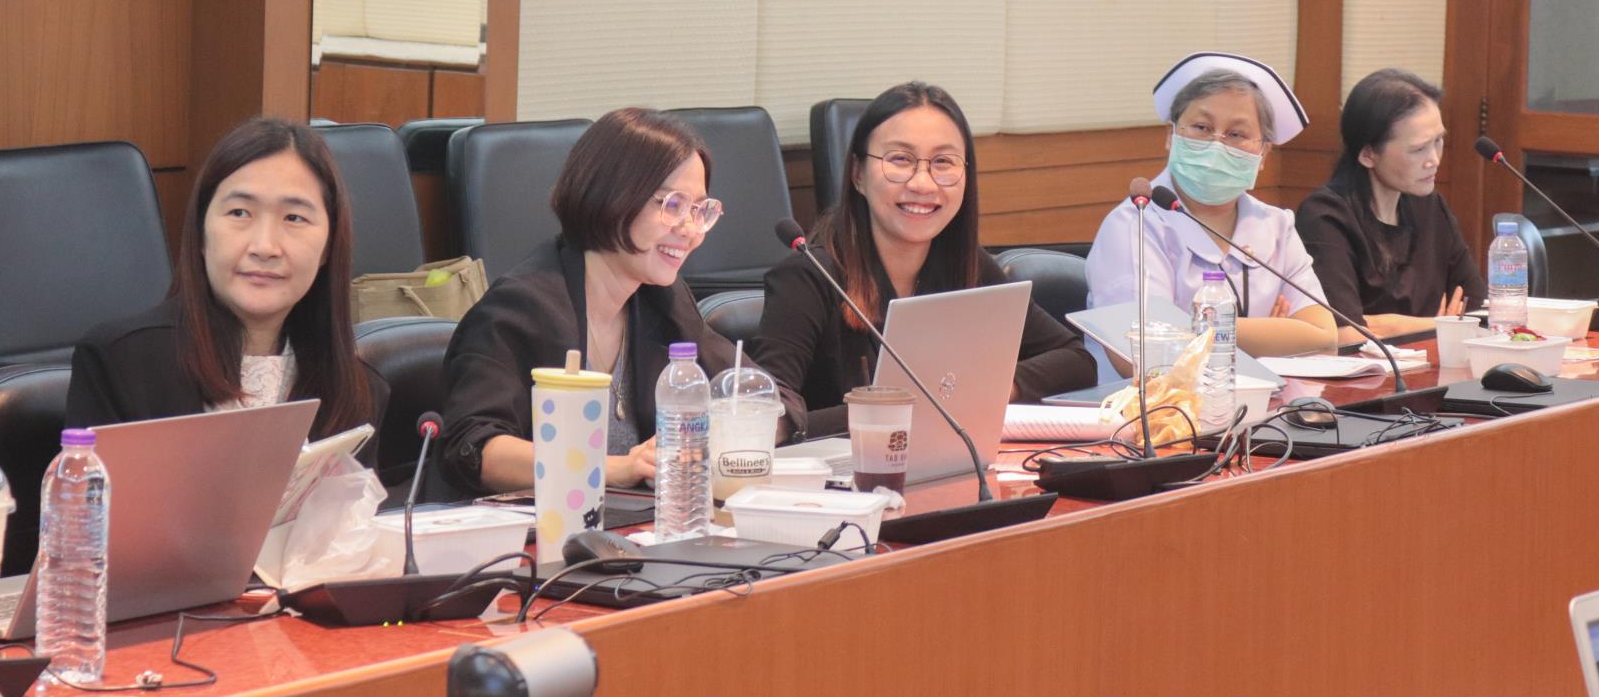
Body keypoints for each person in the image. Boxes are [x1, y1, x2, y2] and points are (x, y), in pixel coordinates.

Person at [441, 108, 802, 497]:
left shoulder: (661, 299)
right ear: (612, 197)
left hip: (636, 523)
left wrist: (718, 434)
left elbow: (777, 401)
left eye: (699, 210)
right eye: (673, 205)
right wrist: (613, 468)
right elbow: (475, 449)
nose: (689, 231)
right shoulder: (521, 307)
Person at [751, 83, 1096, 437]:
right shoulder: (808, 278)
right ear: (858, 174)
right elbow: (765, 415)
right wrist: (896, 409)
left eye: (943, 162)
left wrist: (989, 389)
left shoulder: (967, 265)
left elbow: (1076, 360)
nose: (923, 183)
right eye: (900, 160)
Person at [68, 117, 385, 460]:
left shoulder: (358, 391)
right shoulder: (121, 363)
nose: (264, 247)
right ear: (201, 234)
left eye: (294, 218)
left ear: (328, 247)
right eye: (239, 213)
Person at [1087, 53, 1338, 357]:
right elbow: (1145, 351)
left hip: (1270, 390)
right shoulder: (1135, 224)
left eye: (1236, 134)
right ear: (1171, 136)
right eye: (1202, 127)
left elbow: (1324, 338)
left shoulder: (1275, 226)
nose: (1216, 144)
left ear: (1263, 154)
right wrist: (1272, 335)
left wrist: (1190, 328)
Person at [1295, 69, 1486, 345]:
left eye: (1438, 141)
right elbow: (1346, 333)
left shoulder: (1431, 207)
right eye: (1418, 149)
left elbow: (1478, 313)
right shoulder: (1325, 216)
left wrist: (1394, 325)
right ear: (1368, 154)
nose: (1434, 160)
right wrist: (1442, 324)